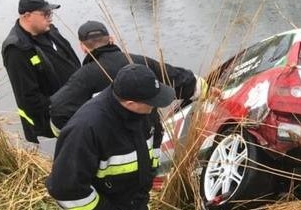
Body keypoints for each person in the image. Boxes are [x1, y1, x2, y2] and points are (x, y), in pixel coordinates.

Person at [46, 64, 178, 210]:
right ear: (129, 102)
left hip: (132, 200)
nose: (157, 106)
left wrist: (150, 178)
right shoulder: (87, 128)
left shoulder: (145, 112)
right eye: (151, 101)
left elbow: (154, 143)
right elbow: (66, 189)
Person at [49, 20, 202, 131]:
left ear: (82, 47)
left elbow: (58, 111)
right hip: (147, 137)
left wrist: (80, 134)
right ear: (111, 39)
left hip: (109, 147)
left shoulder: (82, 78)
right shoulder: (140, 62)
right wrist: (206, 90)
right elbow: (183, 81)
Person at [2, 0, 81, 143]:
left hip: (75, 104)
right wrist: (64, 106)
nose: (50, 17)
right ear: (27, 16)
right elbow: (28, 97)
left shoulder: (50, 30)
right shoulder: (16, 49)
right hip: (53, 116)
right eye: (45, 13)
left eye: (50, 12)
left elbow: (71, 60)